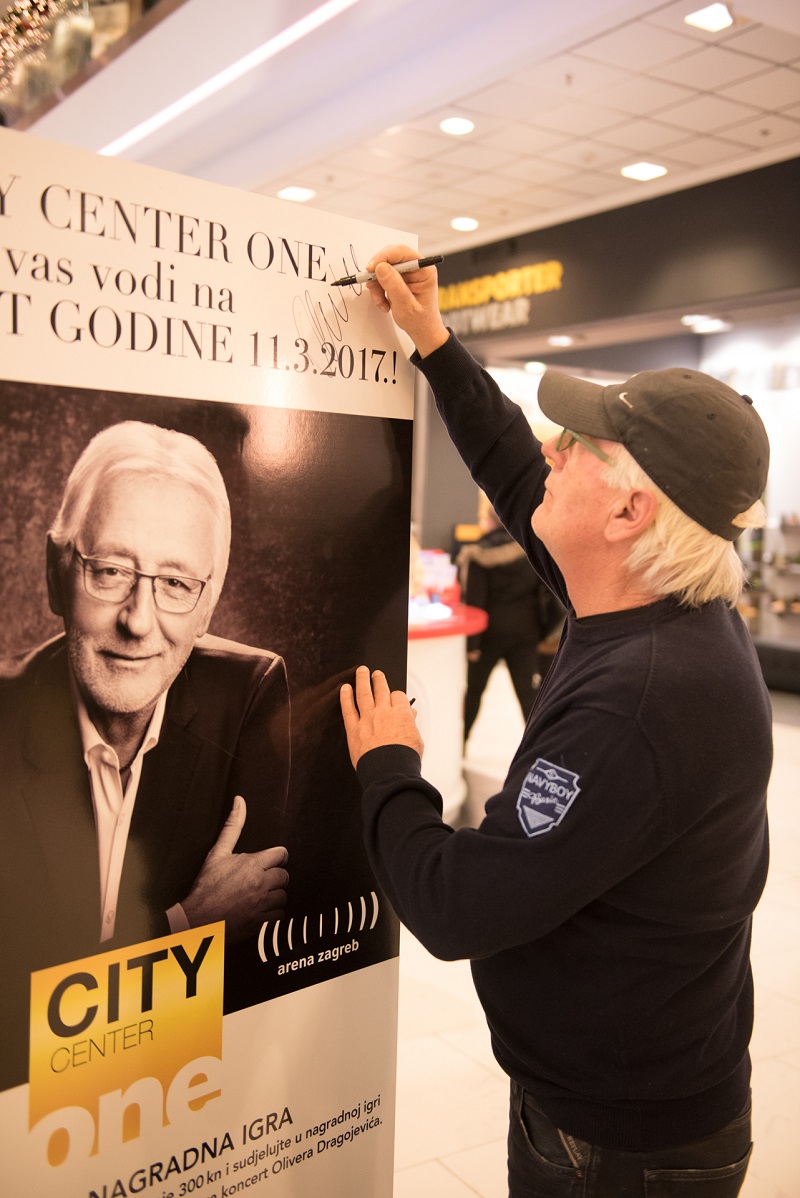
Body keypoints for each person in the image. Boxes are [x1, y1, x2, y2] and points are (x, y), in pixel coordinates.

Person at [340, 247, 771, 1197]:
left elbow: (456, 906)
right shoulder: (659, 600)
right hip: (636, 1099)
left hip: (619, 1148)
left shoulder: (640, 704)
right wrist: (432, 341)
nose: (553, 451)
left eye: (579, 446)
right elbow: (512, 465)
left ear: (628, 511)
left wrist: (390, 766)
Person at [0, 420, 290, 1090]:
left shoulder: (248, 694)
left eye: (176, 584)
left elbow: (253, 971)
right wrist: (187, 927)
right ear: (55, 573)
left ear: (208, 604)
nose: (138, 620)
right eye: (110, 572)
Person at [457, 501, 562, 741]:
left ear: (490, 521)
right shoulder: (529, 549)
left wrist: (472, 645)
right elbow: (545, 593)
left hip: (488, 635)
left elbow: (475, 602)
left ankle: (460, 743)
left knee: (474, 692)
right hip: (526, 632)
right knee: (528, 694)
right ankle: (539, 746)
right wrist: (544, 631)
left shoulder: (478, 554)